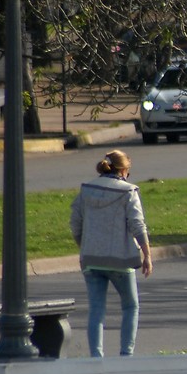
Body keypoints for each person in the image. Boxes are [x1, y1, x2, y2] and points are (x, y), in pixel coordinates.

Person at [70, 150, 153, 357]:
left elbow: (75, 223)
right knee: (130, 306)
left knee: (96, 309)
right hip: (120, 259)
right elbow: (137, 224)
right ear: (124, 170)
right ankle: (126, 354)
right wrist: (147, 255)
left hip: (91, 258)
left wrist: (84, 245)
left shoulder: (87, 189)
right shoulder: (127, 192)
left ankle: (96, 356)